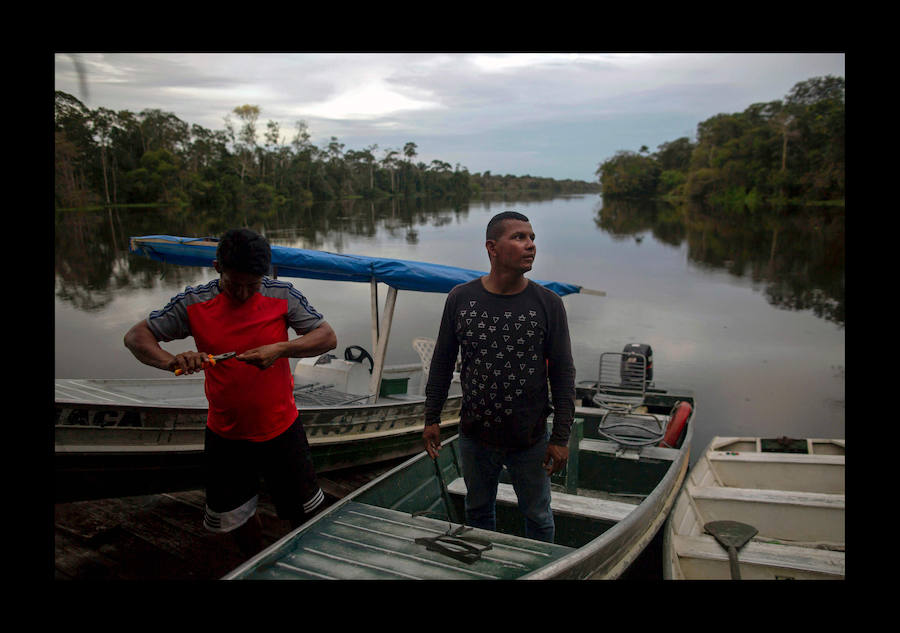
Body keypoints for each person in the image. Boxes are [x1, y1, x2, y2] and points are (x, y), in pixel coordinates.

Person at [123, 228, 337, 556]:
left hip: (282, 429)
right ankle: (255, 562)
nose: (243, 293)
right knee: (237, 518)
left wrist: (280, 349)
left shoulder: (282, 295)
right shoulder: (194, 302)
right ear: (217, 267)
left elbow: (326, 337)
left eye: (253, 285)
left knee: (303, 512)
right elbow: (136, 337)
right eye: (234, 284)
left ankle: (306, 559)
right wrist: (172, 362)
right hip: (227, 436)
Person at [422, 211, 575, 543]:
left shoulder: (548, 303)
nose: (530, 245)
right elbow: (442, 362)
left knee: (538, 515)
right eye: (519, 237)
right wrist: (431, 417)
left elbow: (563, 375)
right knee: (477, 511)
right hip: (475, 436)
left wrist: (561, 437)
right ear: (492, 247)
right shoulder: (461, 298)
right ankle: (482, 564)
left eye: (532, 238)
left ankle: (541, 565)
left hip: (530, 439)